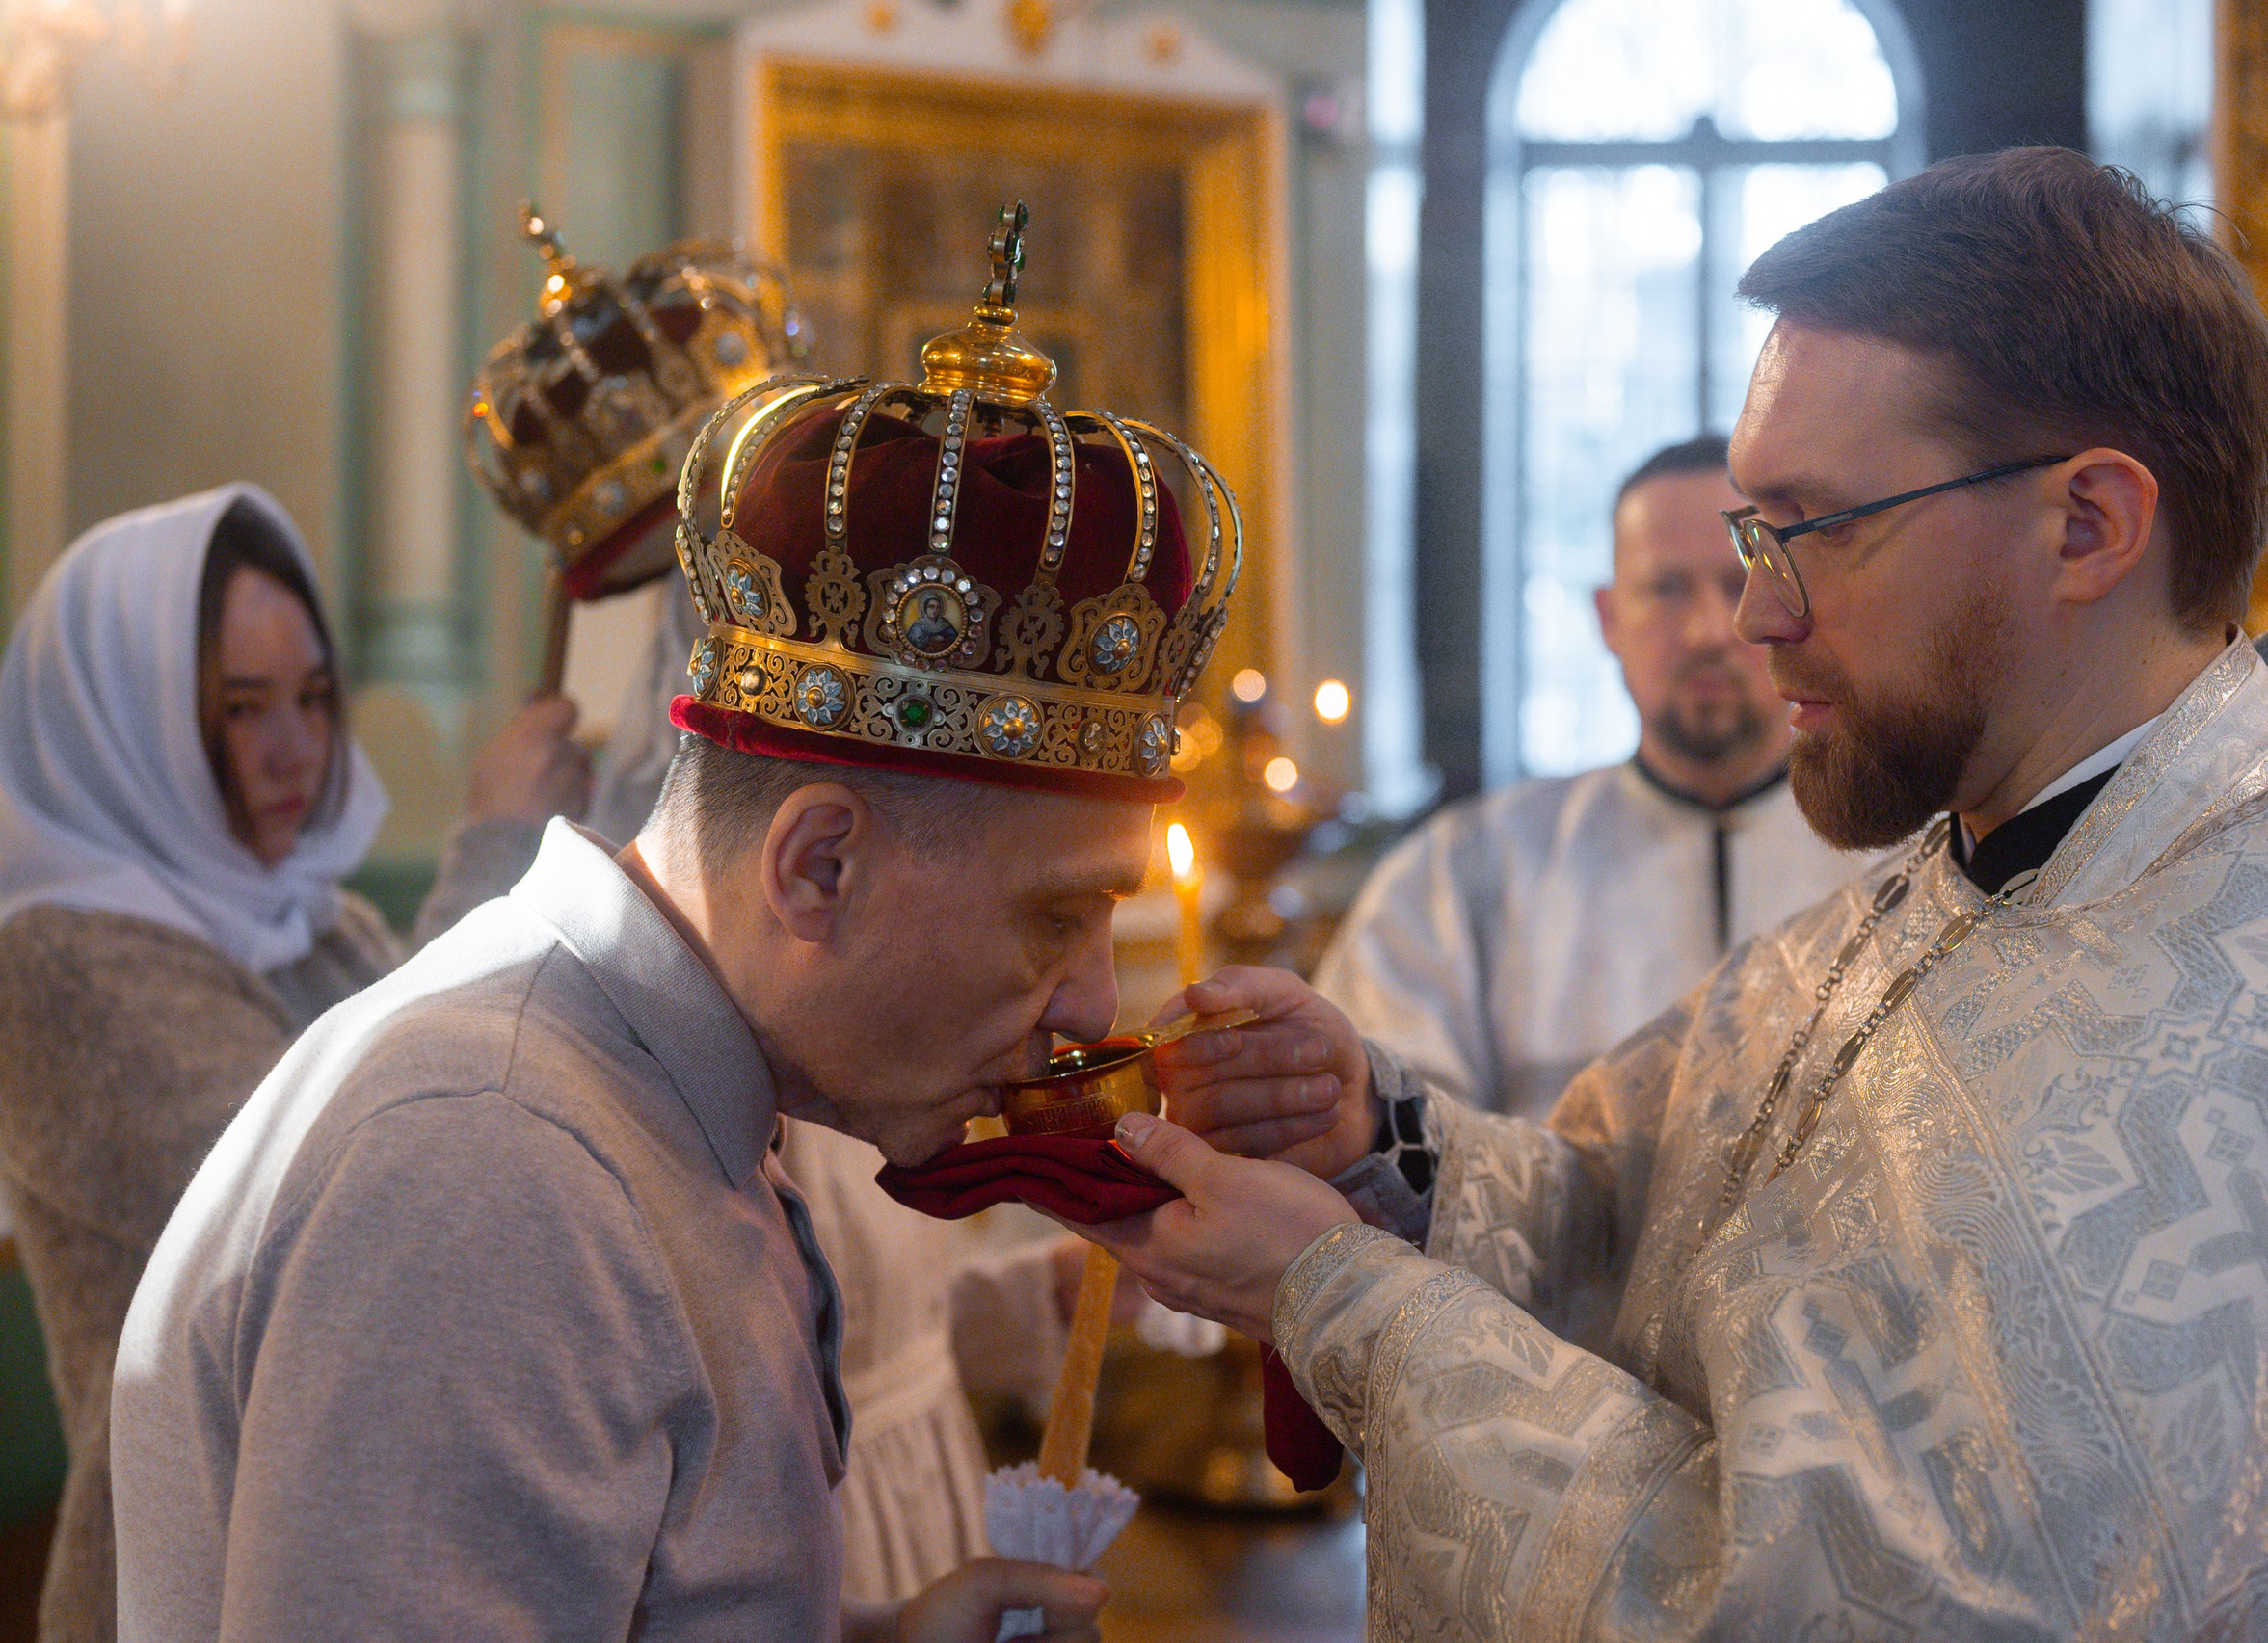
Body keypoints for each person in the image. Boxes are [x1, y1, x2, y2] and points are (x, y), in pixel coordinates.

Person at [1072, 149, 2268, 1638]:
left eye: (1818, 528)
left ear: (2088, 526)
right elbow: (1638, 1234)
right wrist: (1375, 1143)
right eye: (1756, 532)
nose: (1753, 611)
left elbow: (1833, 1608)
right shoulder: (1931, 896)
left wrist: (1343, 1297)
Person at [112, 272, 1241, 1639]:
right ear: (817, 867)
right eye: (1058, 917)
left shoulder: (648, 1086)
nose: (1091, 1002)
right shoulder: (494, 1168)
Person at [0, 483, 590, 1643]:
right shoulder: (55, 960)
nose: (295, 749)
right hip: (194, 1574)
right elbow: (335, 1201)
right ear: (120, 719)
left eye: (314, 698)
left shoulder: (310, 915)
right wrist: (491, 853)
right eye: (239, 706)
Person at [1315, 436, 1868, 1117]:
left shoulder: (1901, 855)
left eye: (1740, 583)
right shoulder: (1466, 870)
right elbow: (1380, 1125)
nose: (1707, 631)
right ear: (1608, 618)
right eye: (1666, 589)